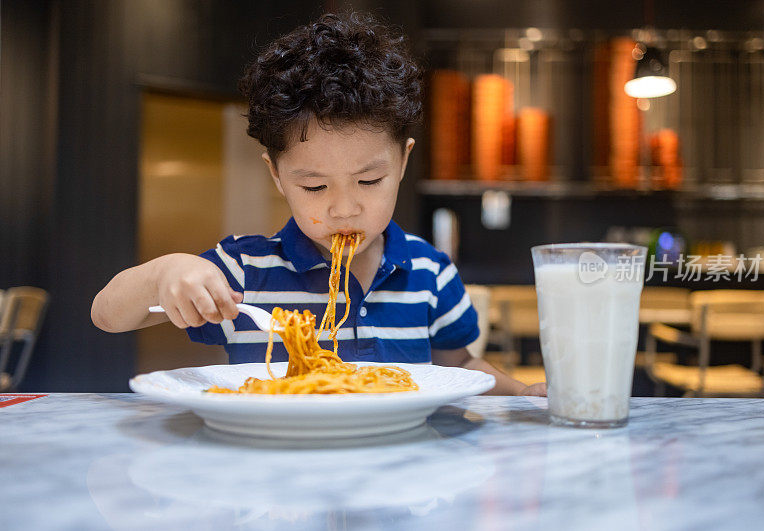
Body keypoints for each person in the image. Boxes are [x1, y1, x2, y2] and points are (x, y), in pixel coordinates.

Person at [91, 12, 546, 396]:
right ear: (276, 174)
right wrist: (164, 273)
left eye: (369, 180)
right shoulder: (244, 270)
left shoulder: (429, 271)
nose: (344, 209)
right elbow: (106, 316)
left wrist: (523, 394)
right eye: (315, 188)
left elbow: (459, 366)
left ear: (403, 161)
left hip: (400, 471)